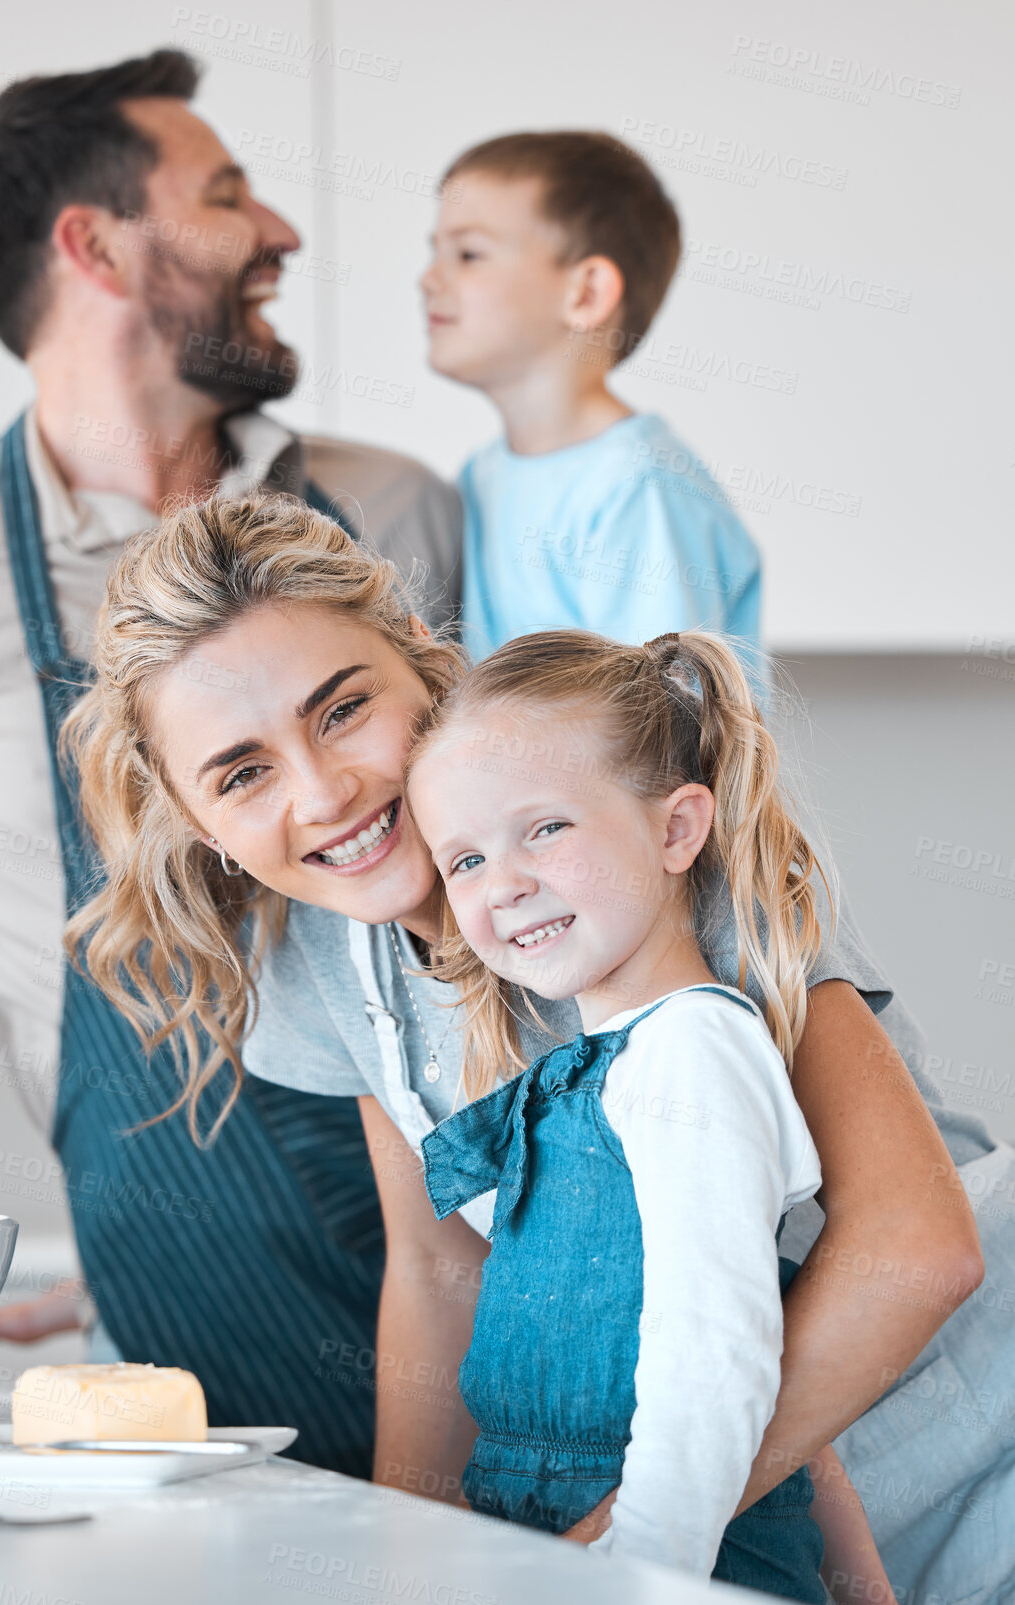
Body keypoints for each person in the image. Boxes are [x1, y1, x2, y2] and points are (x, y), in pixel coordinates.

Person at [62, 489, 1014, 1604]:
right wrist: (415, 1574)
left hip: (947, 1413)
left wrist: (613, 1553)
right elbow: (442, 1268)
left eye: (341, 709)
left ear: (423, 659)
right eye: (242, 772)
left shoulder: (624, 841)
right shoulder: (324, 953)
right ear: (191, 816)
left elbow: (915, 1247)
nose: (324, 793)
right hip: (718, 1513)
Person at [0, 49, 463, 1478]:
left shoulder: (396, 511)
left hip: (484, 1264)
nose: (281, 230)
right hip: (186, 1329)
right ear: (89, 246)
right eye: (222, 197)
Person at [404, 627, 891, 1599]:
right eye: (462, 860)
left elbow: (716, 1358)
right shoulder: (591, 1070)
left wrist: (636, 1574)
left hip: (675, 1559)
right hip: (548, 1529)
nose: (502, 883)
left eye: (545, 828)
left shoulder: (691, 1053)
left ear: (675, 831)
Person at [420, 132, 761, 660]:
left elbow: (662, 724)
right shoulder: (479, 477)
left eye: (468, 254)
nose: (429, 278)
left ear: (586, 293)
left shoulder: (640, 489)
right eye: (435, 252)